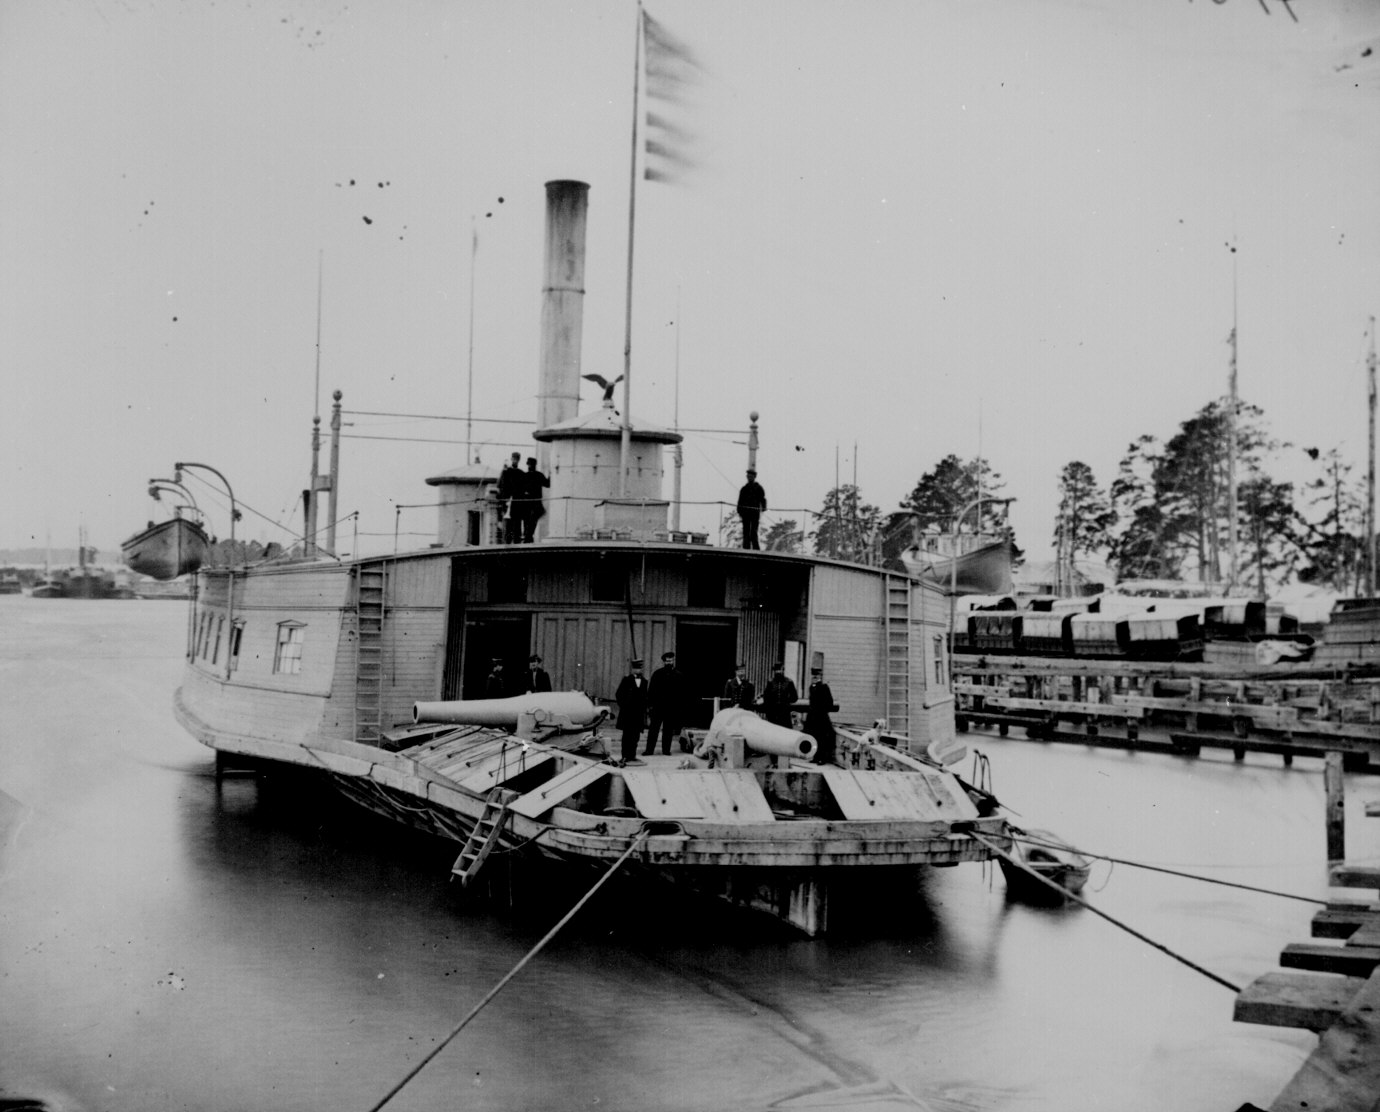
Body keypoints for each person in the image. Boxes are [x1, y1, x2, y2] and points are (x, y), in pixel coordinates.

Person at [645, 650, 689, 755]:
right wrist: (650, 706)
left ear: (673, 661)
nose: (669, 663)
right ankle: (649, 750)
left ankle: (666, 750)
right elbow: (651, 691)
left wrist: (679, 708)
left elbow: (682, 694)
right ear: (664, 662)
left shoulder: (679, 675)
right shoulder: (657, 674)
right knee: (653, 730)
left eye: (671, 661)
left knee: (668, 730)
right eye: (667, 661)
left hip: (671, 708)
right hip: (657, 708)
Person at [614, 658, 649, 766]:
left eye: (639, 668)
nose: (637, 670)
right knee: (627, 736)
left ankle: (632, 755)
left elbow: (645, 697)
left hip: (638, 714)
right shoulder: (626, 680)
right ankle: (625, 756)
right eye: (635, 668)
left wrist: (644, 708)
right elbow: (619, 695)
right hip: (628, 714)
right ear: (632, 669)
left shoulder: (644, 681)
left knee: (635, 736)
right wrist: (624, 706)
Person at [804, 666, 836, 765]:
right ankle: (816, 757)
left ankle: (823, 758)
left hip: (821, 717)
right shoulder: (812, 687)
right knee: (814, 737)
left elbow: (830, 703)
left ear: (820, 676)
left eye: (817, 675)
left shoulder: (824, 687)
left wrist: (822, 710)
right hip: (813, 717)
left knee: (822, 738)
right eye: (814, 675)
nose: (815, 677)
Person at [519, 457, 550, 544]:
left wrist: (550, 475)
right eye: (529, 464)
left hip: (534, 503)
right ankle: (528, 537)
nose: (531, 466)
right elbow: (520, 489)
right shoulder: (527, 476)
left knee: (531, 521)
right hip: (528, 503)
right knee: (528, 521)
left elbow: (547, 484)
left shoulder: (537, 475)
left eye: (532, 464)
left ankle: (528, 537)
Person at [736, 468, 767, 550]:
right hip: (746, 513)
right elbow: (740, 501)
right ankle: (746, 548)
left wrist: (763, 508)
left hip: (754, 513)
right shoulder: (744, 489)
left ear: (754, 477)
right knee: (746, 531)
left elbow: (762, 499)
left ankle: (756, 548)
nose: (749, 477)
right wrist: (739, 511)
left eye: (751, 476)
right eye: (748, 476)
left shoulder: (758, 488)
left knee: (754, 531)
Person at [761, 661, 798, 728]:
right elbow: (766, 697)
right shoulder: (770, 682)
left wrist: (786, 701)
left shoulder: (789, 682)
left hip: (785, 713)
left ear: (783, 670)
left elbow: (794, 697)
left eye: (779, 670)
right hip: (773, 713)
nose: (778, 672)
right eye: (776, 670)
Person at [496, 453, 523, 544]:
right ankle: (507, 544)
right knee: (508, 527)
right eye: (514, 459)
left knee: (517, 527)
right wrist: (504, 500)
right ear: (511, 459)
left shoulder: (520, 472)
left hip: (517, 503)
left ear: (519, 460)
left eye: (517, 459)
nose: (515, 461)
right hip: (508, 502)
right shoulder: (506, 472)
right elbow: (500, 486)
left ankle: (517, 544)